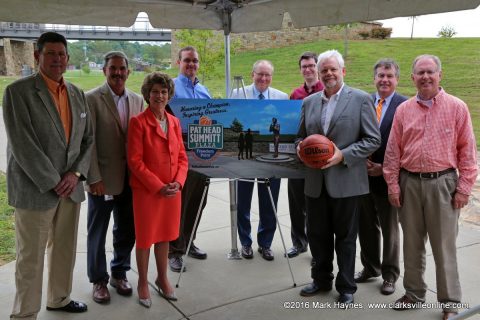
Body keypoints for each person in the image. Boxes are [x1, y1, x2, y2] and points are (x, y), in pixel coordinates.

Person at [3, 32, 93, 318]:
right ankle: (25, 313)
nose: (57, 59)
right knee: (30, 258)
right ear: (37, 56)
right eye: (51, 54)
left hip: (71, 188)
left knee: (64, 250)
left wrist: (75, 173)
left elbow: (88, 140)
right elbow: (23, 145)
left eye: (62, 54)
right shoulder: (18, 92)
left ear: (68, 58)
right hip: (36, 190)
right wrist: (56, 181)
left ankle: (59, 298)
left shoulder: (78, 94)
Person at [383, 54, 477, 320]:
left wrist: (464, 188)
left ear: (439, 75)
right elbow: (393, 152)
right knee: (411, 244)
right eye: (420, 73)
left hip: (443, 185)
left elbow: (467, 152)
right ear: (412, 78)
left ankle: (449, 302)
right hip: (409, 183)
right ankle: (414, 293)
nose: (425, 77)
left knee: (443, 246)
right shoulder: (403, 110)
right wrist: (393, 184)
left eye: (430, 72)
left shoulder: (457, 107)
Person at [297, 50, 380, 306]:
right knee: (317, 234)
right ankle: (321, 279)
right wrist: (302, 148)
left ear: (343, 71)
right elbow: (300, 136)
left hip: (346, 181)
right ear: (319, 74)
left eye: (333, 69)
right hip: (315, 182)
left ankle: (346, 286)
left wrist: (341, 155)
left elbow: (372, 139)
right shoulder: (309, 102)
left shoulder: (361, 99)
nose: (328, 73)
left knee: (346, 237)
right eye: (324, 70)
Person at [85, 51, 144, 304]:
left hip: (130, 181)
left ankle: (119, 272)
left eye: (122, 69)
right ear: (104, 71)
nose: (118, 73)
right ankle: (98, 279)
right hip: (102, 180)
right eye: (113, 69)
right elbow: (87, 143)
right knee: (97, 231)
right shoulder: (90, 99)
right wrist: (93, 178)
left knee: (126, 230)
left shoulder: (138, 100)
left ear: (128, 72)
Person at [127, 72, 188, 308]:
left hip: (172, 191)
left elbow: (182, 157)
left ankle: (162, 278)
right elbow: (135, 161)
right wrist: (158, 186)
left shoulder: (174, 122)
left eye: (163, 92)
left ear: (169, 94)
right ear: (147, 94)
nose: (159, 96)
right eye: (154, 91)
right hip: (148, 192)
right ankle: (143, 282)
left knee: (165, 237)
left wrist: (178, 183)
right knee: (144, 239)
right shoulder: (138, 122)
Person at [354, 58, 407, 295]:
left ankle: (389, 275)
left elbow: (409, 145)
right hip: (362, 177)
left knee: (390, 230)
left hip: (389, 179)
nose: (384, 80)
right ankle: (370, 267)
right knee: (366, 226)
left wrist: (383, 167)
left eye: (389, 76)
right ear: (374, 78)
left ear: (397, 79)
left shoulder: (405, 106)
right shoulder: (363, 101)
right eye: (380, 76)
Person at [231, 60, 288, 261]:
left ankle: (265, 244)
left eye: (267, 75)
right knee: (243, 202)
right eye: (260, 74)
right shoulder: (237, 94)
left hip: (270, 160)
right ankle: (245, 243)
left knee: (269, 202)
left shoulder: (282, 97)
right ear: (252, 73)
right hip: (245, 158)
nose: (263, 78)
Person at [168, 46, 211, 272]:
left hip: (202, 157)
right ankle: (174, 251)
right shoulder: (171, 89)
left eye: (195, 61)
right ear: (179, 62)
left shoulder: (204, 91)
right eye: (187, 61)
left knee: (198, 202)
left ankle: (188, 241)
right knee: (180, 206)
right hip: (180, 159)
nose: (191, 64)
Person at [286, 51, 324, 260]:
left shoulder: (326, 90)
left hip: (319, 156)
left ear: (317, 67)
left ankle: (317, 244)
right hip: (299, 155)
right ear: (300, 70)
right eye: (304, 67)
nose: (308, 69)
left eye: (311, 65)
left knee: (315, 205)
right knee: (296, 202)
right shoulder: (295, 94)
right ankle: (298, 243)